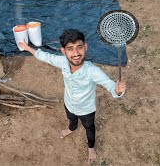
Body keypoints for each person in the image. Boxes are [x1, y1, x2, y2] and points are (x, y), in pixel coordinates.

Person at [18, 29, 126, 163]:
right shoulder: (62, 62)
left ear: (85, 47)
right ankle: (71, 128)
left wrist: (118, 90)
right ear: (63, 51)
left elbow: (111, 86)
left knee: (89, 127)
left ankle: (91, 147)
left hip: (86, 110)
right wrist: (28, 47)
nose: (76, 53)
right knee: (71, 119)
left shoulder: (93, 71)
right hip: (68, 103)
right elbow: (46, 57)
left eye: (79, 47)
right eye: (70, 49)